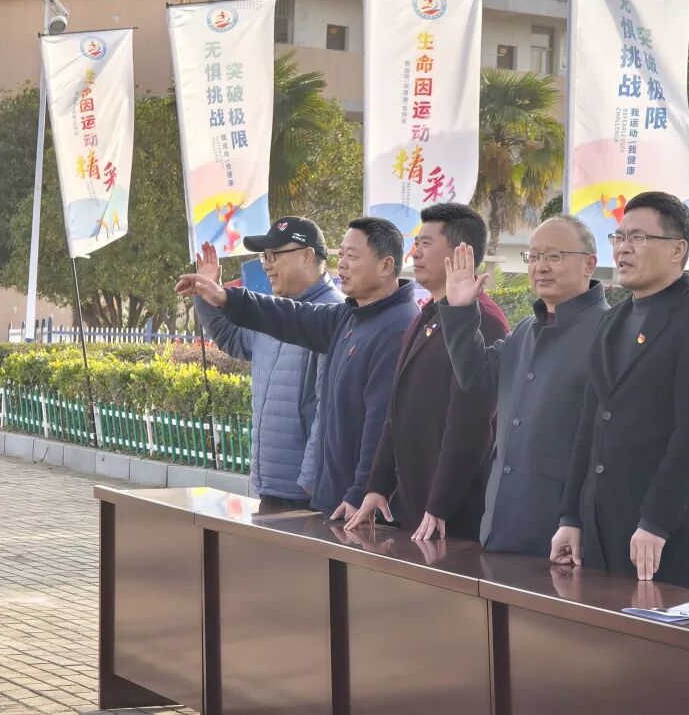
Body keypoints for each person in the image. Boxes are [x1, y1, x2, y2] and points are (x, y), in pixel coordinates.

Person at [175, 217, 417, 521]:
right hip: (322, 495)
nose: (342, 263)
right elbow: (288, 318)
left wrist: (349, 489)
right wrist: (221, 297)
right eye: (341, 254)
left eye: (352, 256)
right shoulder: (349, 316)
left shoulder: (395, 327)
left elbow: (380, 422)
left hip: (338, 503)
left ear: (386, 265)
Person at [551, 192, 689, 589]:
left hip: (661, 540)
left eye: (638, 237)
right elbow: (589, 428)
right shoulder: (611, 322)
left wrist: (656, 521)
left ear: (677, 250)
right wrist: (571, 516)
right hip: (598, 532)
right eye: (618, 237)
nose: (623, 248)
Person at [439, 215, 611, 557]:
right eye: (534, 256)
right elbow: (475, 377)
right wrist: (460, 310)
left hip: (563, 533)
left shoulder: (609, 333)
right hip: (501, 523)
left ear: (589, 264)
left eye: (555, 256)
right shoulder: (525, 330)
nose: (541, 266)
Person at [346, 204, 508, 541]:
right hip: (417, 506)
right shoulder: (426, 316)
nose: (415, 253)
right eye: (416, 243)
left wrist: (440, 504)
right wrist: (378, 486)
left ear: (460, 253)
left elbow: (470, 424)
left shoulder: (483, 320)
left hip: (454, 516)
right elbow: (397, 411)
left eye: (426, 244)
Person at [192, 217, 344, 509]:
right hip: (271, 486)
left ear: (307, 255)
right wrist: (207, 293)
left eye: (274, 255)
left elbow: (329, 409)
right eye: (265, 256)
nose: (266, 265)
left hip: (307, 495)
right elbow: (232, 337)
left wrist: (312, 481)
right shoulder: (270, 311)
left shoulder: (333, 315)